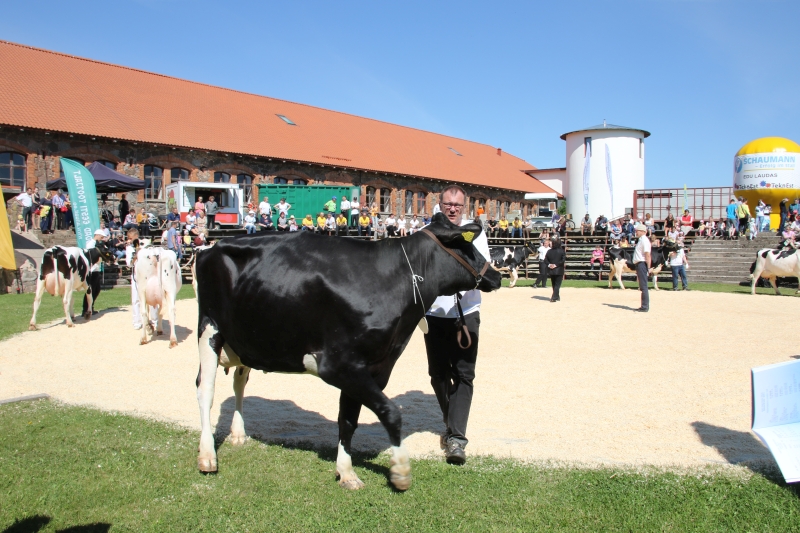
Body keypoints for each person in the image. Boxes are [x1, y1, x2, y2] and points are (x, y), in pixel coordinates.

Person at [424, 184, 491, 465]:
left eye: (458, 205)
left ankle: (456, 438)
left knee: (464, 375)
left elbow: (480, 270)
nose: (452, 209)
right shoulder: (427, 233)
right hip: (434, 314)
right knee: (438, 374)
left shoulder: (475, 234)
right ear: (440, 205)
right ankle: (451, 423)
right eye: (448, 204)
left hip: (466, 313)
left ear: (464, 207)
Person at [82, 229, 108, 318]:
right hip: (91, 270)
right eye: (101, 236)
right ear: (97, 235)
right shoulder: (90, 244)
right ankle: (86, 309)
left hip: (96, 269)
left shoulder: (97, 244)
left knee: (97, 289)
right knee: (90, 290)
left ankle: (90, 306)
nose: (102, 238)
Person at [633, 223, 651, 312]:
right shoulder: (641, 240)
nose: (636, 232)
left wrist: (648, 267)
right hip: (639, 264)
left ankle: (645, 306)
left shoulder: (644, 240)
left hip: (642, 264)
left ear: (642, 231)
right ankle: (644, 305)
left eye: (637, 231)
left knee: (643, 286)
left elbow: (647, 254)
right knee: (642, 286)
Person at [544, 238, 566, 302]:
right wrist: (556, 265)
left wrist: (549, 265)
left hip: (551, 270)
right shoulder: (562, 251)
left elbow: (545, 260)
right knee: (557, 284)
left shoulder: (549, 251)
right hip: (559, 270)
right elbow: (563, 260)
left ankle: (557, 296)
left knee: (554, 284)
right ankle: (554, 297)